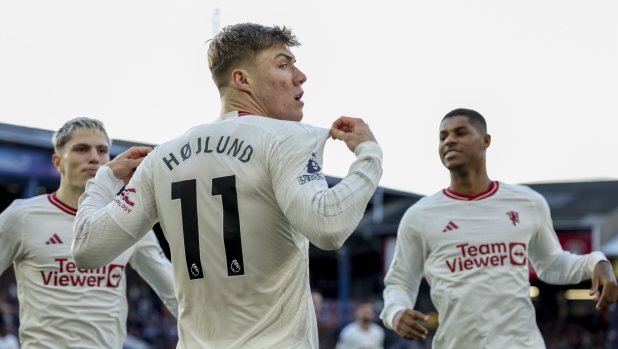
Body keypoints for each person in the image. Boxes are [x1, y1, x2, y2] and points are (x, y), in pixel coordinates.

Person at [71, 23, 383, 349]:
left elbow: (87, 248)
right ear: (242, 79)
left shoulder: (160, 159)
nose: (300, 75)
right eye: (284, 63)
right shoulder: (288, 137)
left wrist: (104, 179)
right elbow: (328, 224)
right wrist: (369, 156)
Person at [380, 108, 618, 348]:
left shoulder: (528, 203)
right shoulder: (419, 216)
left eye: (460, 133)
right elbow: (400, 282)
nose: (449, 140)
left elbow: (551, 264)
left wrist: (596, 263)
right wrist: (396, 312)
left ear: (485, 141)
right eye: (443, 137)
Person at [0, 118, 178, 348]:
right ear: (58, 162)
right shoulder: (21, 217)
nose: (94, 157)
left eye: (102, 150)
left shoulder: (128, 219)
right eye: (81, 149)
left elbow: (176, 294)